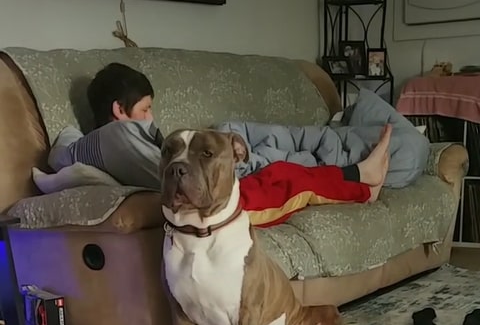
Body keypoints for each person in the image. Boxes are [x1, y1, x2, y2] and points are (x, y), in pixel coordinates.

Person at [47, 63, 392, 214]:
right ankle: (361, 178)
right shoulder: (119, 135)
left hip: (213, 178)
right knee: (286, 176)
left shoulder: (94, 140)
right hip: (216, 196)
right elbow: (166, 174)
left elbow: (61, 150)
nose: (151, 117)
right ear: (119, 109)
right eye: (145, 109)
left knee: (279, 161)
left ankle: (360, 176)